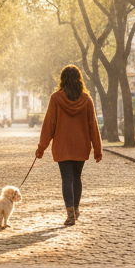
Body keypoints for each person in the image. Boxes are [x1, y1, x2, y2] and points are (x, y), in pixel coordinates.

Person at [36, 65, 103, 226]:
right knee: (76, 177)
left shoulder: (56, 98)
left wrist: (41, 147)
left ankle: (70, 213)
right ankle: (76, 208)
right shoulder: (86, 100)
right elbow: (93, 125)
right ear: (79, 80)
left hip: (62, 146)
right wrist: (97, 149)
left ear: (63, 80)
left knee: (66, 179)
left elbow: (49, 124)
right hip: (81, 145)